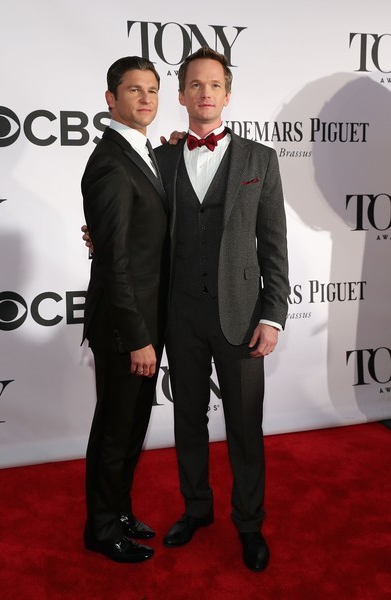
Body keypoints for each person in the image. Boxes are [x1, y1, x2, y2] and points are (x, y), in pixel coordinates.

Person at [155, 47, 289, 573]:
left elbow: (273, 244)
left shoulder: (261, 160)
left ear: (227, 95)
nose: (205, 93)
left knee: (245, 427)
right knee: (187, 419)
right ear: (182, 95)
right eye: (195, 84)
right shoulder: (163, 159)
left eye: (214, 85)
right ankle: (196, 509)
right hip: (180, 314)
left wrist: (272, 315)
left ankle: (250, 523)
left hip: (242, 316)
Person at [81, 56, 169, 563]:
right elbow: (113, 260)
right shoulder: (110, 162)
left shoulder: (144, 152)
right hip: (124, 327)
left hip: (146, 321)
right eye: (134, 90)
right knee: (114, 431)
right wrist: (137, 337)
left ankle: (118, 511)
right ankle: (100, 529)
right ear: (111, 99)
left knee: (133, 427)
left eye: (152, 89)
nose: (145, 98)